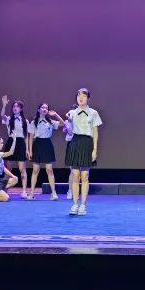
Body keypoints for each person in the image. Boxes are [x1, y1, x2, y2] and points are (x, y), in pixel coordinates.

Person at [65, 88, 102, 216]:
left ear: (88, 98)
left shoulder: (93, 113)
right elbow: (70, 132)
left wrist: (95, 149)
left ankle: (83, 205)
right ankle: (75, 204)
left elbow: (95, 132)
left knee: (85, 176)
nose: (81, 98)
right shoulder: (72, 113)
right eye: (79, 96)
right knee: (75, 175)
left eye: (84, 96)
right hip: (75, 142)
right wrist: (69, 122)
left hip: (87, 143)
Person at [28, 102, 64, 200]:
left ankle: (53, 193)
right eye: (42, 108)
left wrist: (56, 115)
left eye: (46, 108)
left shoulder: (50, 121)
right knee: (35, 170)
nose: (44, 109)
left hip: (47, 144)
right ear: (38, 110)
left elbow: (62, 123)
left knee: (49, 170)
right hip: (37, 145)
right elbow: (30, 137)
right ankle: (31, 193)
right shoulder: (34, 122)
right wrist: (30, 151)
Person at [0, 95, 30, 198]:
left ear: (21, 109)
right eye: (13, 106)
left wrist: (27, 149)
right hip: (11, 142)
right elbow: (2, 115)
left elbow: (26, 136)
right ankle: (5, 190)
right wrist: (4, 105)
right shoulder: (9, 119)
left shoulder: (25, 121)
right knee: (8, 169)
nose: (15, 108)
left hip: (21, 143)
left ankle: (24, 191)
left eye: (17, 106)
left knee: (22, 169)